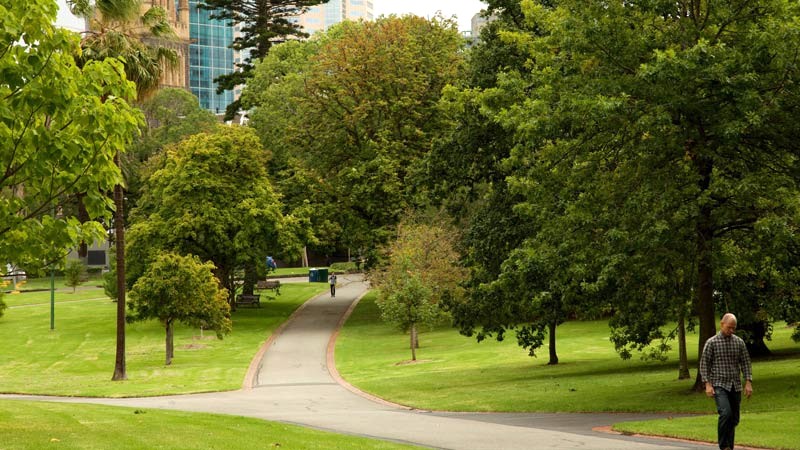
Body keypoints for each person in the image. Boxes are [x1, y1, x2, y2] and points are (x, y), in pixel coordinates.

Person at [699, 313, 753, 450]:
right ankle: (724, 447)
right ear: (722, 324)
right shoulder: (711, 342)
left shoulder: (739, 342)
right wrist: (707, 384)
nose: (731, 331)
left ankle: (730, 446)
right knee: (726, 413)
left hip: (735, 385)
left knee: (734, 419)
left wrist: (748, 382)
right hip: (719, 385)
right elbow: (704, 364)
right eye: (729, 327)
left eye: (734, 328)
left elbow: (746, 363)